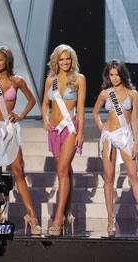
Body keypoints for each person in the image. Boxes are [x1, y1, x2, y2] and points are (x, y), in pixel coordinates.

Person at [0, 46, 39, 234]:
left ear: (8, 62)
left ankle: (31, 217)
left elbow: (31, 100)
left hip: (9, 128)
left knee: (18, 170)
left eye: (1, 60)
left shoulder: (17, 81)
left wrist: (20, 115)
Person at [92, 59, 138, 237]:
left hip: (125, 136)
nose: (114, 78)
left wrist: (136, 142)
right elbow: (95, 112)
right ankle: (110, 220)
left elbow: (135, 119)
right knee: (109, 178)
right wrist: (102, 128)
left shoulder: (133, 94)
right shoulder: (105, 93)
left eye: (117, 74)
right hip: (109, 137)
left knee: (133, 176)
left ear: (122, 74)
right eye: (111, 75)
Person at [41, 44, 86, 236]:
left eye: (68, 59)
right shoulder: (50, 80)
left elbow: (82, 109)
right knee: (65, 171)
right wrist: (44, 119)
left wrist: (81, 132)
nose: (65, 62)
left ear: (72, 60)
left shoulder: (79, 79)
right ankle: (68, 211)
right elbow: (45, 103)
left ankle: (58, 218)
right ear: (56, 60)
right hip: (54, 130)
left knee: (61, 171)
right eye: (61, 59)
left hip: (70, 128)